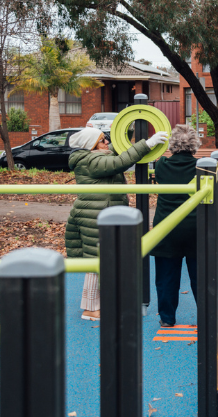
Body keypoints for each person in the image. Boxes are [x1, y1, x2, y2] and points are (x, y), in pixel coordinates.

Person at [65, 127, 168, 321]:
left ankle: (100, 305)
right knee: (98, 261)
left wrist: (127, 126)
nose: (106, 143)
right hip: (95, 215)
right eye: (102, 140)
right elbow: (119, 162)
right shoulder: (91, 160)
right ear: (91, 145)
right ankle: (90, 309)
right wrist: (147, 144)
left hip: (102, 213)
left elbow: (117, 147)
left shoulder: (95, 154)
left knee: (105, 260)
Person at [151, 125, 201, 327]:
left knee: (166, 276)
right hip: (196, 227)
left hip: (166, 226)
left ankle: (167, 318)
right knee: (200, 275)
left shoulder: (161, 165)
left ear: (172, 145)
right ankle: (207, 313)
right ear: (194, 145)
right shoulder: (203, 166)